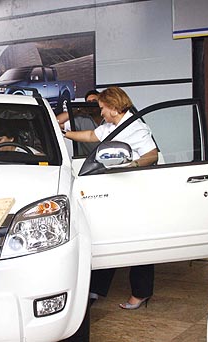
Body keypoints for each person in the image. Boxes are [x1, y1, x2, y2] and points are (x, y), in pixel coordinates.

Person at [64, 86, 158, 309]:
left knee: (138, 244)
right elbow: (90, 136)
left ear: (114, 107)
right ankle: (97, 288)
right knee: (108, 236)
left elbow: (151, 155)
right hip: (118, 192)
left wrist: (131, 165)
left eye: (103, 108)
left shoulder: (136, 128)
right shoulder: (112, 125)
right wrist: (63, 134)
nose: (101, 112)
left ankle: (141, 292)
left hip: (136, 192)